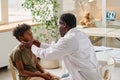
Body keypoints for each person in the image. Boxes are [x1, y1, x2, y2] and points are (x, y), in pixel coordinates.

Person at [25, 13, 101, 80]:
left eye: (59, 25)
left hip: (83, 77)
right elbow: (57, 48)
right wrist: (40, 45)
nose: (58, 28)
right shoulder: (80, 34)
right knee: (63, 76)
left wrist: (32, 47)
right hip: (93, 74)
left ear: (64, 25)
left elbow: (47, 55)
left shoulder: (68, 40)